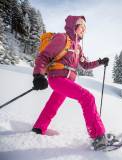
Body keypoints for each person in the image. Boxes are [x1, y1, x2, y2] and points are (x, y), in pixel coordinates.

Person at [32, 15, 109, 150]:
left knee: (52, 105)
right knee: (87, 97)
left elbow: (85, 65)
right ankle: (98, 137)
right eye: (81, 26)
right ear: (74, 26)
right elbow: (44, 55)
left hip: (66, 80)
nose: (84, 30)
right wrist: (38, 75)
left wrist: (100, 62)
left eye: (85, 28)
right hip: (57, 78)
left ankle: (38, 128)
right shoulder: (62, 38)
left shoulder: (78, 48)